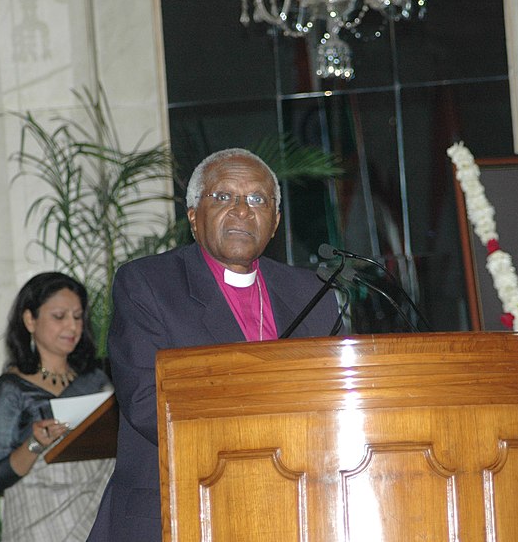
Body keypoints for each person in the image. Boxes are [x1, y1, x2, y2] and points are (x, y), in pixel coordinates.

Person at [88, 148, 340, 541]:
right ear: (193, 216)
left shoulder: (311, 293)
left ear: (274, 223)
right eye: (223, 196)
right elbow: (145, 401)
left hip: (294, 506)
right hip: (182, 502)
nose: (242, 210)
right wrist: (258, 450)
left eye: (258, 199)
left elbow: (333, 398)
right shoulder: (149, 284)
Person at [0, 272, 115, 541]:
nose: (72, 327)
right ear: (30, 320)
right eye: (59, 316)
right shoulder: (11, 390)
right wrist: (35, 443)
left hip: (101, 516)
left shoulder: (97, 380)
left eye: (78, 317)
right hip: (41, 525)